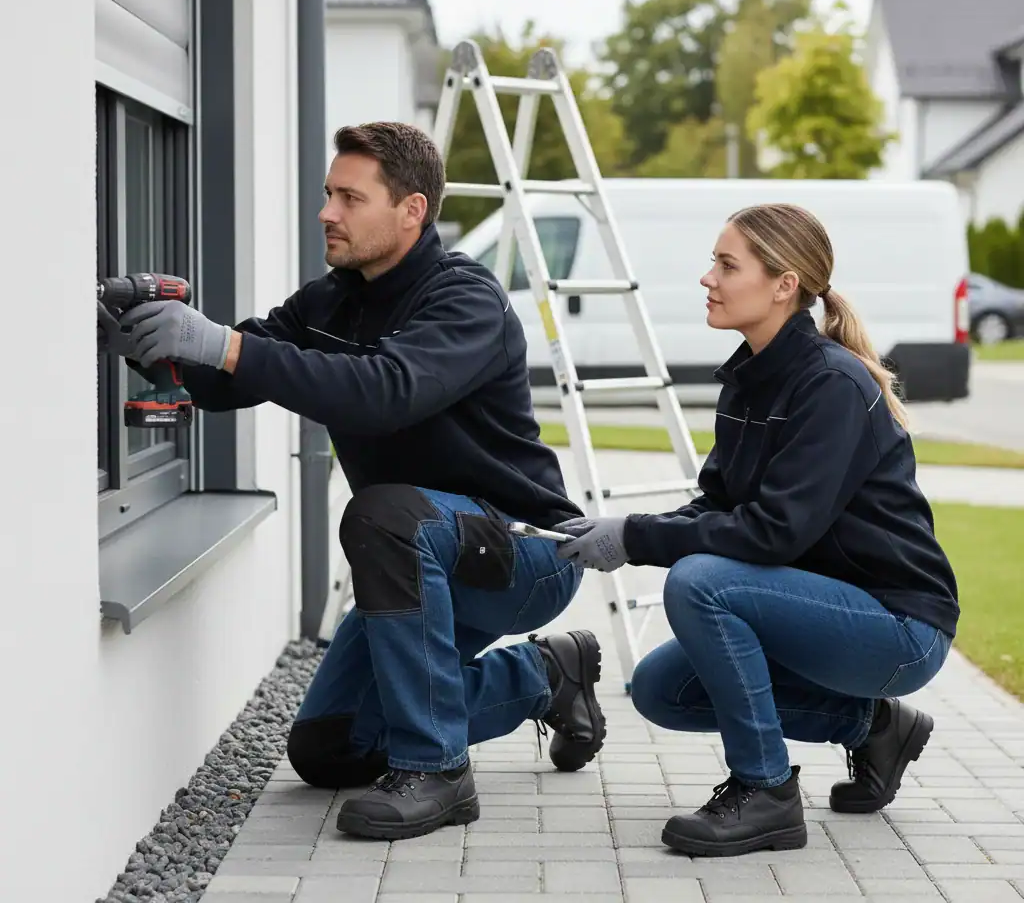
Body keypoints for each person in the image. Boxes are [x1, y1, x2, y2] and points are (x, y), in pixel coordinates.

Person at [108, 120, 607, 841]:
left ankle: (438, 771)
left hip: (524, 553)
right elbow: (231, 378)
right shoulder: (332, 300)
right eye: (326, 194)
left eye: (349, 197)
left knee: (381, 514)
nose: (326, 212)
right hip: (418, 552)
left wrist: (222, 345)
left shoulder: (465, 299)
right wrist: (154, 347)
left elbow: (383, 391)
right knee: (330, 748)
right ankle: (546, 677)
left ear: (411, 211)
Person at [552, 203, 959, 859]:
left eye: (726, 263)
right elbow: (716, 505)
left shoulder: (829, 383)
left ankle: (765, 791)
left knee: (701, 583)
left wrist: (637, 539)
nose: (707, 278)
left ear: (783, 284)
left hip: (899, 626)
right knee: (663, 690)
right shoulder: (750, 380)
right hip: (820, 608)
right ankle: (872, 727)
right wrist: (615, 530)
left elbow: (773, 534)